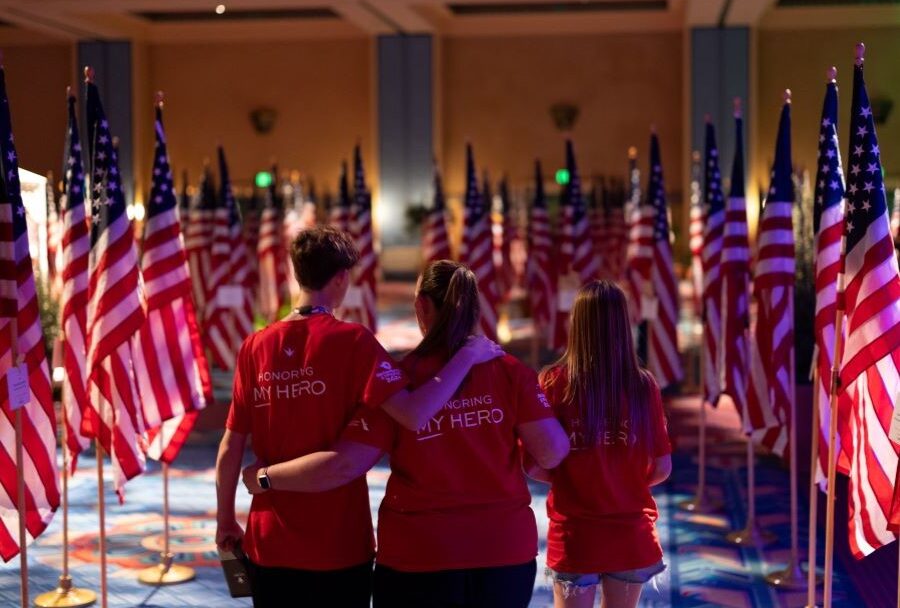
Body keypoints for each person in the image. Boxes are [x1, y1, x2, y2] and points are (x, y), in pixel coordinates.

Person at [242, 259, 571, 608]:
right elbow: (551, 452)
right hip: (503, 549)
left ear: (421, 306)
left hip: (419, 554)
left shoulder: (396, 381)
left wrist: (264, 477)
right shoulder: (510, 371)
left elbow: (346, 464)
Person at [215, 229, 502, 608]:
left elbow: (230, 444)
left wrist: (224, 520)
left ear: (297, 273)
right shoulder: (354, 342)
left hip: (270, 540)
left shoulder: (255, 345)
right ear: (340, 278)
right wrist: (468, 356)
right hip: (339, 544)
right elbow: (412, 413)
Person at [534, 280, 672, 608]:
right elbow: (663, 467)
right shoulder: (644, 385)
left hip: (576, 535)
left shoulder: (553, 383)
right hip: (630, 532)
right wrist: (624, 483)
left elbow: (533, 463)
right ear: (623, 324)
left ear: (576, 325)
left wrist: (574, 481)